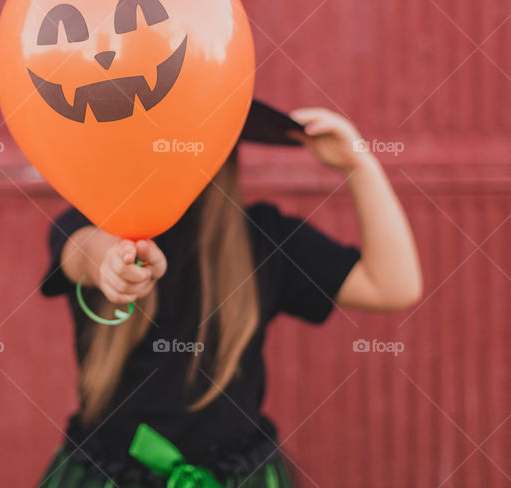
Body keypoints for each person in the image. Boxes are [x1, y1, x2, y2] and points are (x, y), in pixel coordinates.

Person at [36, 107, 423, 487]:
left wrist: (359, 167)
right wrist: (109, 265)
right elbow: (82, 252)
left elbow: (393, 285)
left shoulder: (264, 239)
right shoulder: (91, 227)